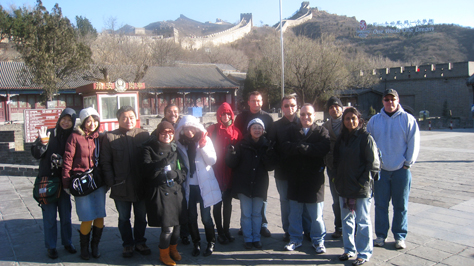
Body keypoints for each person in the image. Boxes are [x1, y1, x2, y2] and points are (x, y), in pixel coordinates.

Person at [366, 88, 420, 249]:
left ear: (398, 100)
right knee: (380, 205)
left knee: (401, 205)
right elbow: (368, 143)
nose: (390, 102)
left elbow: (413, 142)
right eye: (387, 100)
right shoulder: (375, 121)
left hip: (401, 171)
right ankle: (381, 235)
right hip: (381, 171)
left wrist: (407, 163)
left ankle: (399, 236)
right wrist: (373, 164)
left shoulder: (408, 120)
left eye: (393, 99)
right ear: (382, 101)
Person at [101, 106, 151, 257]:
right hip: (121, 186)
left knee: (141, 217)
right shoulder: (110, 137)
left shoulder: (143, 134)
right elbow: (105, 162)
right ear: (118, 120)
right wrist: (112, 182)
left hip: (141, 185)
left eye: (131, 117)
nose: (128, 120)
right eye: (124, 117)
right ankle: (127, 244)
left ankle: (140, 242)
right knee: (124, 218)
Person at [334, 107, 381, 266]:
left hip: (361, 188)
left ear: (359, 120)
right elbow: (335, 161)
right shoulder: (341, 139)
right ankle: (349, 250)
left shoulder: (365, 138)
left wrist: (362, 182)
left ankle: (364, 253)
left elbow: (373, 164)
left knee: (363, 221)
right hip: (344, 186)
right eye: (347, 118)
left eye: (353, 118)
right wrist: (336, 179)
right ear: (343, 121)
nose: (350, 121)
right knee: (346, 220)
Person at [281, 104, 330, 254]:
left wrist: (305, 148)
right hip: (295, 178)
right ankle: (295, 239)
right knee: (294, 213)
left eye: (308, 114)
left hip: (314, 180)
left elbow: (323, 148)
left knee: (316, 216)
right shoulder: (291, 130)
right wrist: (301, 147)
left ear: (314, 115)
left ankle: (318, 241)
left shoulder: (322, 131)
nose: (305, 117)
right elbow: (285, 146)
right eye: (302, 114)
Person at [31, 108, 77, 259]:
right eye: (64, 119)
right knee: (49, 217)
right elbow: (37, 154)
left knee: (66, 216)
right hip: (48, 182)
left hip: (64, 183)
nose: (66, 122)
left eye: (69, 120)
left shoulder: (74, 136)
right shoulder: (49, 133)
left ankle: (67, 242)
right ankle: (51, 246)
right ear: (59, 119)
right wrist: (42, 143)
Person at [62, 107, 107, 260]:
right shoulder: (74, 137)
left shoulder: (100, 138)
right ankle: (84, 248)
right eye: (88, 121)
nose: (92, 123)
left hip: (97, 182)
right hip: (81, 182)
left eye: (95, 120)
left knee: (100, 215)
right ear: (83, 122)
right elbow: (67, 160)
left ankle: (95, 246)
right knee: (86, 216)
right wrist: (66, 183)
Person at [142, 121, 188, 266]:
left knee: (178, 225)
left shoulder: (176, 149)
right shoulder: (149, 148)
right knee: (167, 227)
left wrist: (176, 174)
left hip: (176, 191)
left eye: (170, 132)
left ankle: (173, 249)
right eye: (163, 132)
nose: (167, 135)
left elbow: (185, 171)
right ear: (158, 133)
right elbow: (145, 171)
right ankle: (164, 253)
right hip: (161, 192)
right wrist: (162, 164)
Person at [175, 115, 222, 257]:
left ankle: (211, 242)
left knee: (206, 217)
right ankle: (196, 242)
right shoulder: (180, 144)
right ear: (182, 130)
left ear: (197, 128)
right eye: (186, 129)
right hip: (189, 185)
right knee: (191, 217)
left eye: (192, 128)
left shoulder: (205, 139)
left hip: (204, 184)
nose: (190, 132)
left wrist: (202, 147)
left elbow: (212, 160)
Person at [226, 118, 275, 249]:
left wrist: (269, 155)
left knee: (257, 214)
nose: (257, 130)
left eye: (259, 128)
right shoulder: (241, 145)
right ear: (249, 130)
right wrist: (231, 154)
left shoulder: (266, 145)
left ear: (263, 130)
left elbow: (270, 167)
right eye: (254, 128)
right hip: (244, 184)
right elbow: (232, 163)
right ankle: (248, 238)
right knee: (246, 214)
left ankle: (256, 238)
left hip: (259, 184)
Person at [268, 95, 310, 242]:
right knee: (285, 201)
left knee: (303, 201)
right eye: (286, 105)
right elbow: (271, 147)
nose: (289, 108)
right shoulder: (276, 126)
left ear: (297, 106)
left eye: (292, 105)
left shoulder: (303, 122)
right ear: (282, 108)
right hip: (283, 170)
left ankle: (307, 229)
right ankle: (288, 230)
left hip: (301, 171)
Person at [233, 91, 273, 237]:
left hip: (261, 160)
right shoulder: (241, 117)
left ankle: (262, 224)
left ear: (262, 102)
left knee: (261, 196)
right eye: (253, 101)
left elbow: (271, 138)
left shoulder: (267, 118)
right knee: (245, 199)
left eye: (258, 101)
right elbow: (236, 136)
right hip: (245, 158)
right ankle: (245, 225)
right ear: (248, 102)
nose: (256, 103)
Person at [207, 102, 243, 244]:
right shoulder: (212, 129)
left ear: (232, 115)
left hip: (229, 173)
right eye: (223, 114)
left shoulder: (236, 132)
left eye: (228, 114)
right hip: (215, 172)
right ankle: (220, 231)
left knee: (228, 204)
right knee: (217, 204)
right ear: (219, 115)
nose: (225, 116)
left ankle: (226, 230)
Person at [322, 96, 344, 238]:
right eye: (331, 107)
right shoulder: (325, 127)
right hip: (333, 168)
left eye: (336, 106)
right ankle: (339, 226)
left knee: (350, 199)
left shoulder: (350, 121)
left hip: (349, 168)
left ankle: (352, 227)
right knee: (336, 200)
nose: (334, 109)